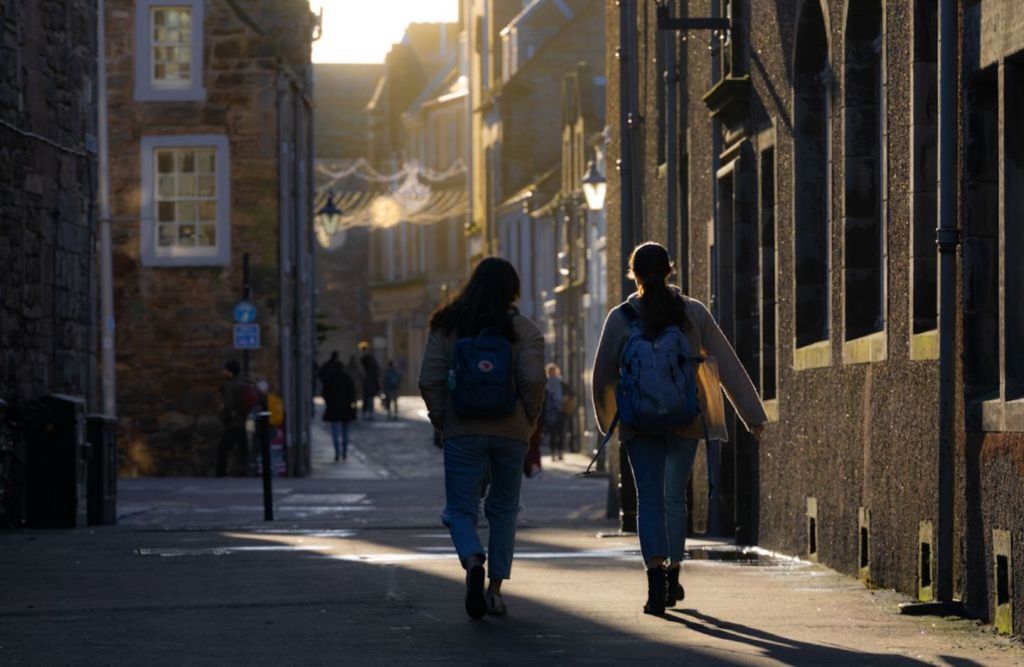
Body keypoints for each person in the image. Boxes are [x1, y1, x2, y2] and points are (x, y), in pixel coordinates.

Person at [592, 242, 767, 615]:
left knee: (649, 501)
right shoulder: (692, 313)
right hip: (686, 419)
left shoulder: (620, 318)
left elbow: (602, 375)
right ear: (670, 271)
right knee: (675, 498)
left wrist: (609, 423)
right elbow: (728, 366)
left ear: (633, 274)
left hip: (639, 424)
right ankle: (673, 573)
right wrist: (752, 415)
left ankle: (655, 581)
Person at [418, 257, 546, 619]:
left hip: (463, 430)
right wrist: (528, 420)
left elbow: (428, 379)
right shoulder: (524, 330)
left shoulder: (447, 326)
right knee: (504, 511)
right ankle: (495, 591)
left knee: (460, 510)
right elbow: (534, 381)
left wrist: (444, 421)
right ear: (512, 289)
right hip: (511, 432)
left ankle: (473, 557)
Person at [319, 352, 356, 461]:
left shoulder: (330, 379)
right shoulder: (347, 378)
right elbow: (352, 394)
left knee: (335, 431)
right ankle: (344, 452)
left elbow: (325, 393)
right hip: (345, 408)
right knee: (345, 432)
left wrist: (328, 402)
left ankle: (337, 452)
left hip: (334, 408)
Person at [217, 360, 248, 477]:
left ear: (230, 372)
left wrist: (224, 417)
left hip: (233, 423)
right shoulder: (242, 384)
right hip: (242, 421)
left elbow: (228, 405)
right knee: (243, 450)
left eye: (225, 370)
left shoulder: (229, 386)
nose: (223, 372)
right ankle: (245, 472)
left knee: (222, 449)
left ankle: (220, 473)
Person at [542, 362, 574, 461]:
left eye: (553, 371)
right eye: (551, 371)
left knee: (559, 433)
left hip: (559, 410)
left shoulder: (559, 384)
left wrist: (565, 399)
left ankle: (558, 452)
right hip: (551, 412)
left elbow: (571, 393)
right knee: (554, 433)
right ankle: (554, 453)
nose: (552, 373)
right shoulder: (545, 384)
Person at [359, 342, 381, 420]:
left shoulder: (367, 360)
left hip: (368, 383)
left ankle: (367, 413)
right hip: (369, 383)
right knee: (368, 399)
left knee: (368, 399)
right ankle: (368, 413)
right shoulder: (369, 360)